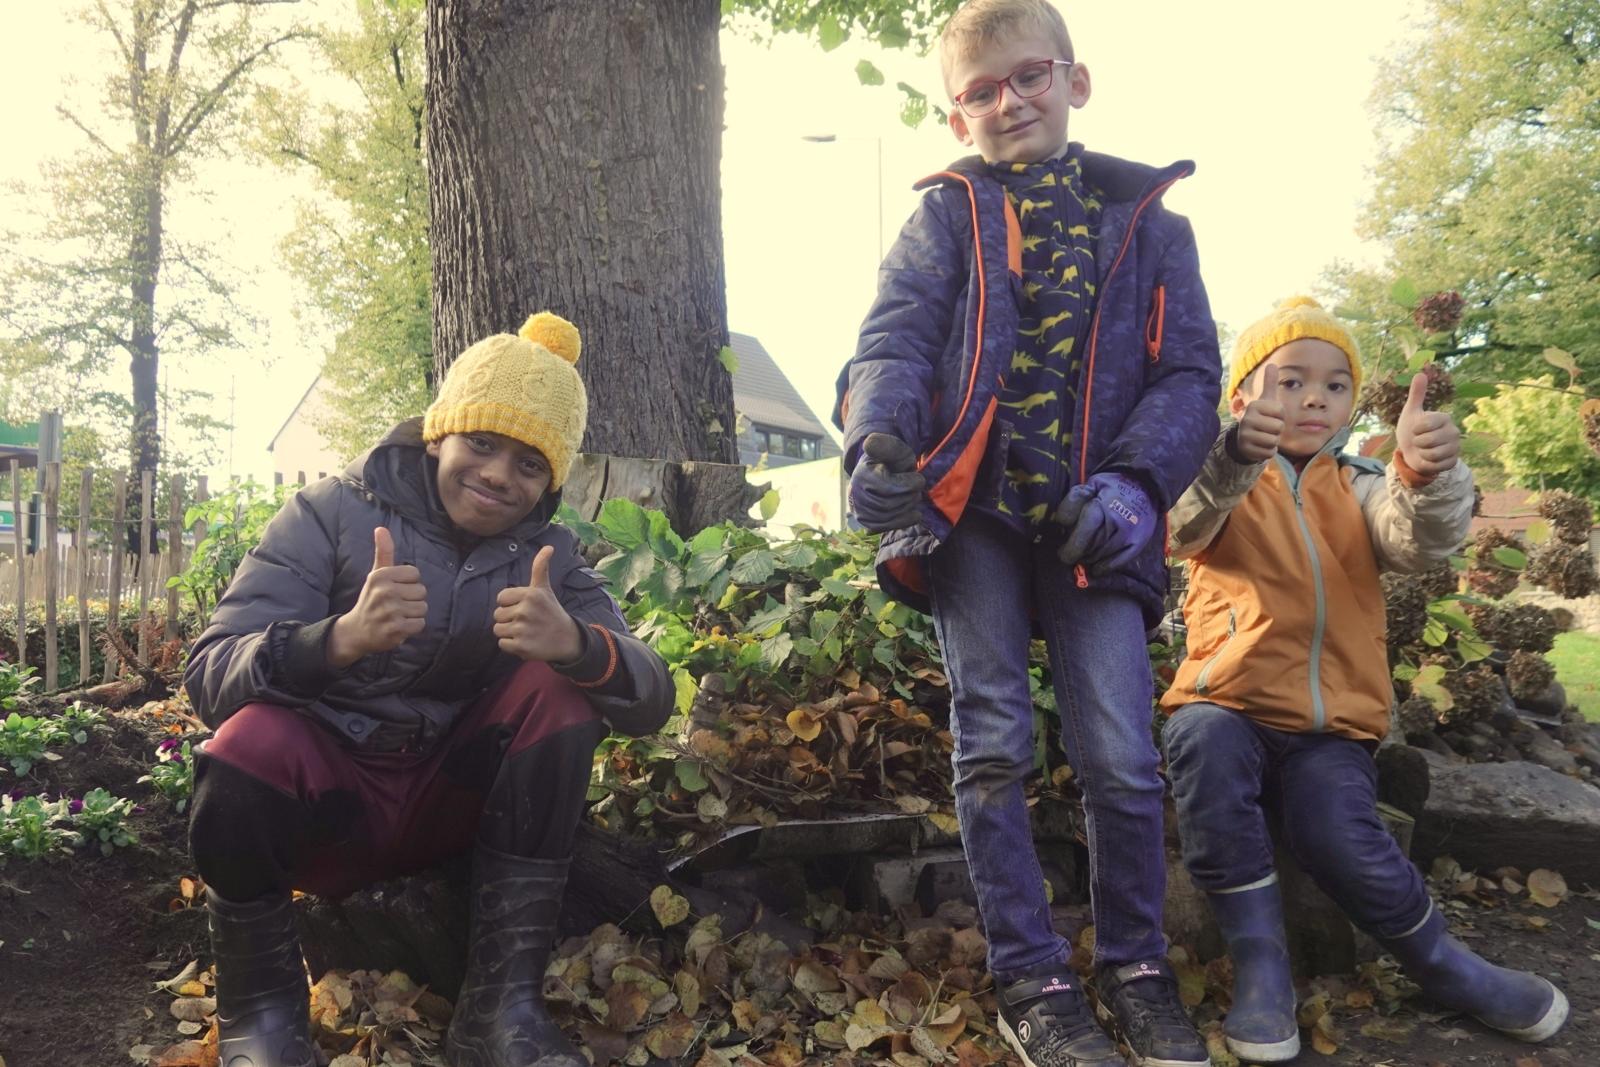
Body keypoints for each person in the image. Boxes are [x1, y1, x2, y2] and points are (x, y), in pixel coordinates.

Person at [833, 1, 1222, 1062]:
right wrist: (879, 439)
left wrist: (1136, 488)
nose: (1008, 102)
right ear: (955, 115)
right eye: (980, 91)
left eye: (1029, 77)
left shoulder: (1154, 227)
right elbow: (893, 341)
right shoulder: (944, 219)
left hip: (1101, 519)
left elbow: (1191, 375)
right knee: (995, 741)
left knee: (1122, 754)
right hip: (974, 516)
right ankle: (1031, 974)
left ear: (1074, 81)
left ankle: (1136, 964)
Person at [183, 313, 674, 1067]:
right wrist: (338, 639)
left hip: (454, 809)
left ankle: (498, 1013)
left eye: (530, 463)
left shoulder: (550, 555)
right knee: (242, 745)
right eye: (481, 442)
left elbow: (653, 698)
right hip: (331, 813)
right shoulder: (328, 513)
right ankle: (262, 1021)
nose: (499, 475)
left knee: (562, 689)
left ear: (550, 480)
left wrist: (578, 645)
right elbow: (211, 674)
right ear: (439, 434)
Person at [1161, 296, 1569, 1062]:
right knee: (1204, 743)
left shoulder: (1363, 485)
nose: (1314, 397)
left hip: (1330, 727)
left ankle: (1442, 963)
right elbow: (1180, 525)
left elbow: (1418, 541)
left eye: (1335, 384)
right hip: (1229, 704)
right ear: (1242, 397)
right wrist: (1231, 457)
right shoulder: (1223, 480)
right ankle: (1262, 965)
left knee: (1339, 830)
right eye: (1290, 380)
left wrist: (1425, 473)